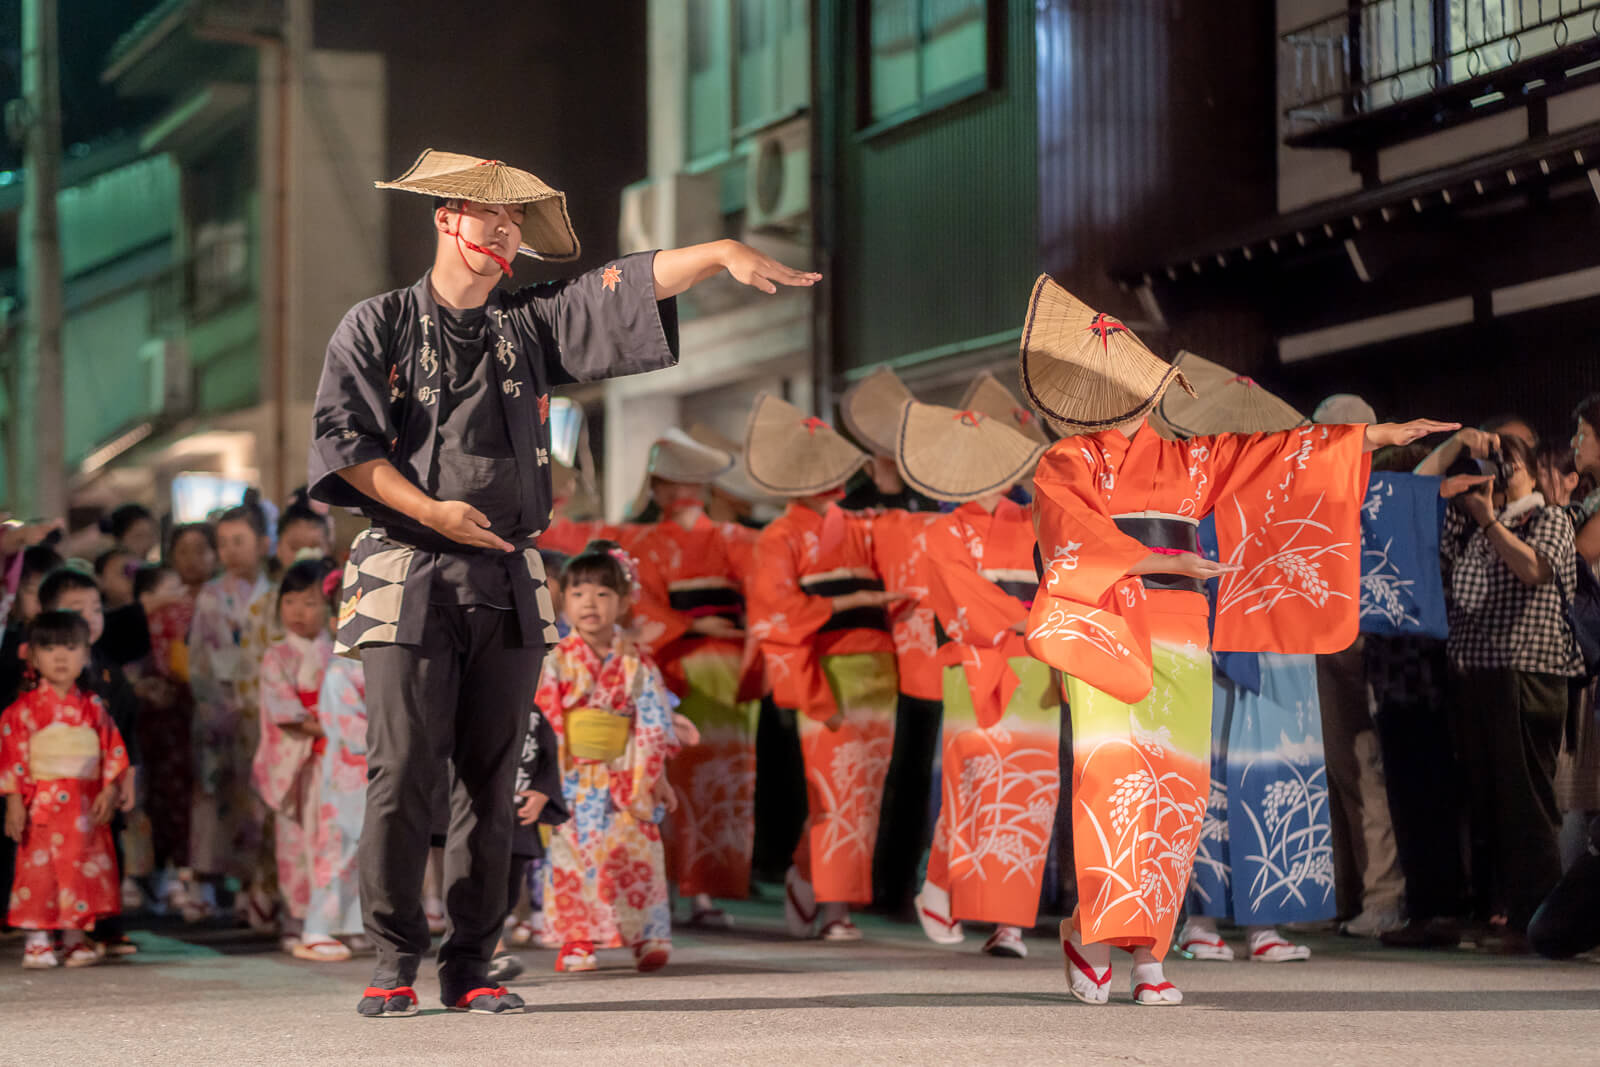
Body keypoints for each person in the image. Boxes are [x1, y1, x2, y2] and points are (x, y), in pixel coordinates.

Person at [307, 149, 819, 1018]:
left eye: (515, 219)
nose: (505, 229)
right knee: (402, 771)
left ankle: (470, 960)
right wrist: (432, 513)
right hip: (406, 568)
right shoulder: (378, 323)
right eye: (488, 214)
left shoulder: (527, 327)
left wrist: (720, 250)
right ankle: (393, 952)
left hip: (506, 571)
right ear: (445, 218)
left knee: (496, 775)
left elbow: (618, 286)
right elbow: (345, 444)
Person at [1016, 276, 1451, 1006]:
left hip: (1184, 632)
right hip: (1113, 627)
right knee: (1116, 782)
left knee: (1178, 789)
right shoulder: (1068, 462)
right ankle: (1090, 934)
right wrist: (1162, 559)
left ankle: (1151, 953)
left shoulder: (1191, 457)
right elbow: (1070, 541)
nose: (1147, 399)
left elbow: (1276, 458)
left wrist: (1367, 438)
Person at [891, 400, 1053, 959]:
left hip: (1034, 662)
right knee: (976, 785)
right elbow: (964, 599)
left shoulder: (1036, 520)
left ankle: (1009, 924)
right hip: (978, 662)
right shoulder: (944, 531)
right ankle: (942, 887)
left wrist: (1044, 628)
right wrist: (1033, 622)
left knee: (1032, 787)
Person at [742, 394, 905, 942]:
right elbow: (774, 612)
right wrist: (840, 601)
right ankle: (834, 907)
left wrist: (888, 481)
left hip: (877, 670)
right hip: (827, 667)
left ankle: (811, 877)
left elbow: (902, 539)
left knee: (865, 790)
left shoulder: (859, 524)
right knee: (834, 788)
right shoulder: (780, 534)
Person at [1438, 432, 1586, 951]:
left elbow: (1533, 568)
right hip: (1479, 671)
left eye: (1510, 466)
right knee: (1489, 800)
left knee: (1527, 801)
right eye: (1492, 465)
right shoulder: (1478, 522)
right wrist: (1467, 501)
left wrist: (1489, 519)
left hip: (1531, 670)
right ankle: (1500, 912)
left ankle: (1537, 922)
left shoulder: (1550, 518)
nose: (1500, 475)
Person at [625, 430, 760, 928]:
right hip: (677, 665)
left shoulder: (733, 538)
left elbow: (764, 591)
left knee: (725, 780)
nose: (680, 497)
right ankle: (674, 889)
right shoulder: (644, 541)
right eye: (671, 487)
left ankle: (705, 892)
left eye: (688, 487)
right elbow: (639, 605)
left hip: (726, 667)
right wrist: (696, 623)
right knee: (675, 775)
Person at [836, 367, 945, 918]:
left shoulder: (935, 504)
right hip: (867, 654)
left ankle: (898, 886)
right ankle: (851, 886)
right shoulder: (846, 508)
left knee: (913, 768)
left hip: (928, 651)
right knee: (860, 771)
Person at [538, 542, 677, 974]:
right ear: (564, 600)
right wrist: (543, 779)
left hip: (627, 771)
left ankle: (646, 935)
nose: (589, 604)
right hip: (573, 772)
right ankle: (577, 939)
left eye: (602, 594)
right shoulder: (557, 658)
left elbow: (652, 721)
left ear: (621, 602)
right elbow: (545, 718)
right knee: (573, 855)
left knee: (635, 851)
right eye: (578, 594)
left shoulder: (636, 662)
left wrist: (659, 777)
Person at [1, 611, 131, 968]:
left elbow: (112, 751)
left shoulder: (93, 708)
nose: (61, 657)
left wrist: (108, 790)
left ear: (86, 654)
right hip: (41, 804)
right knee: (39, 873)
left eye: (71, 647)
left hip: (84, 804)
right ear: (33, 656)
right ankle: (38, 939)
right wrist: (14, 800)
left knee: (80, 869)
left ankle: (75, 937)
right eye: (50, 647)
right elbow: (13, 759)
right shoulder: (21, 712)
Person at [37, 566, 144, 957]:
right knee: (55, 855)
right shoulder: (40, 672)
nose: (89, 618)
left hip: (103, 779)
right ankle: (57, 930)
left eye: (96, 608)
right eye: (76, 609)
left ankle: (105, 924)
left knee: (106, 848)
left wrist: (127, 776)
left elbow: (126, 727)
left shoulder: (106, 668)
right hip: (55, 784)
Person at [253, 558, 342, 958]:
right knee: (294, 843)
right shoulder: (277, 657)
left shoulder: (341, 652)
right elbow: (283, 712)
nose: (298, 612)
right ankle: (298, 917)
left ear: (328, 605)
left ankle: (335, 921)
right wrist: (333, 727)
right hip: (299, 761)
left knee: (335, 841)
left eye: (308, 602)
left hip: (335, 760)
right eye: (289, 602)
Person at [186, 506, 270, 920]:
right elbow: (198, 657)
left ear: (262, 543)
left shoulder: (274, 593)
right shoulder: (211, 595)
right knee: (215, 795)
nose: (230, 551)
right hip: (218, 707)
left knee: (257, 799)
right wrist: (211, 703)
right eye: (223, 543)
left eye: (239, 541)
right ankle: (204, 881)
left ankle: (253, 884)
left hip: (262, 711)